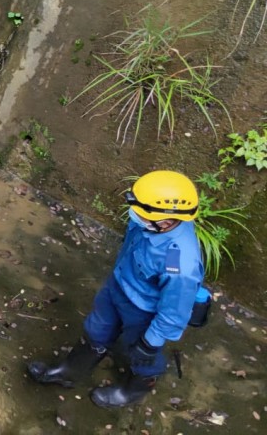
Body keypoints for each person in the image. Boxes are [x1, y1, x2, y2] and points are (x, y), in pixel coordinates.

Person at [27, 170, 205, 408]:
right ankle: (70, 371)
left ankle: (134, 389)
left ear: (166, 221)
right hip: (118, 287)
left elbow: (174, 313)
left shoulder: (181, 264)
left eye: (141, 214)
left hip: (143, 310)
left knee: (141, 354)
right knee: (96, 329)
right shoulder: (149, 222)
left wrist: (150, 342)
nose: (134, 216)